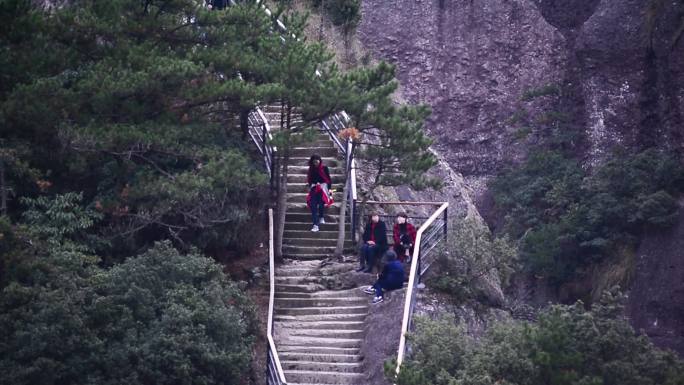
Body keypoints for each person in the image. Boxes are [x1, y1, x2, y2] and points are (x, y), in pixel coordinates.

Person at [306, 154, 332, 232]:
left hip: (323, 188)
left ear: (320, 161)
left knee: (321, 204)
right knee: (313, 205)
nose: (316, 164)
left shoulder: (324, 168)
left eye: (317, 162)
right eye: (314, 162)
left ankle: (321, 216)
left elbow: (328, 179)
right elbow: (310, 180)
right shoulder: (311, 169)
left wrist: (329, 191)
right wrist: (313, 184)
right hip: (314, 188)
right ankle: (315, 225)